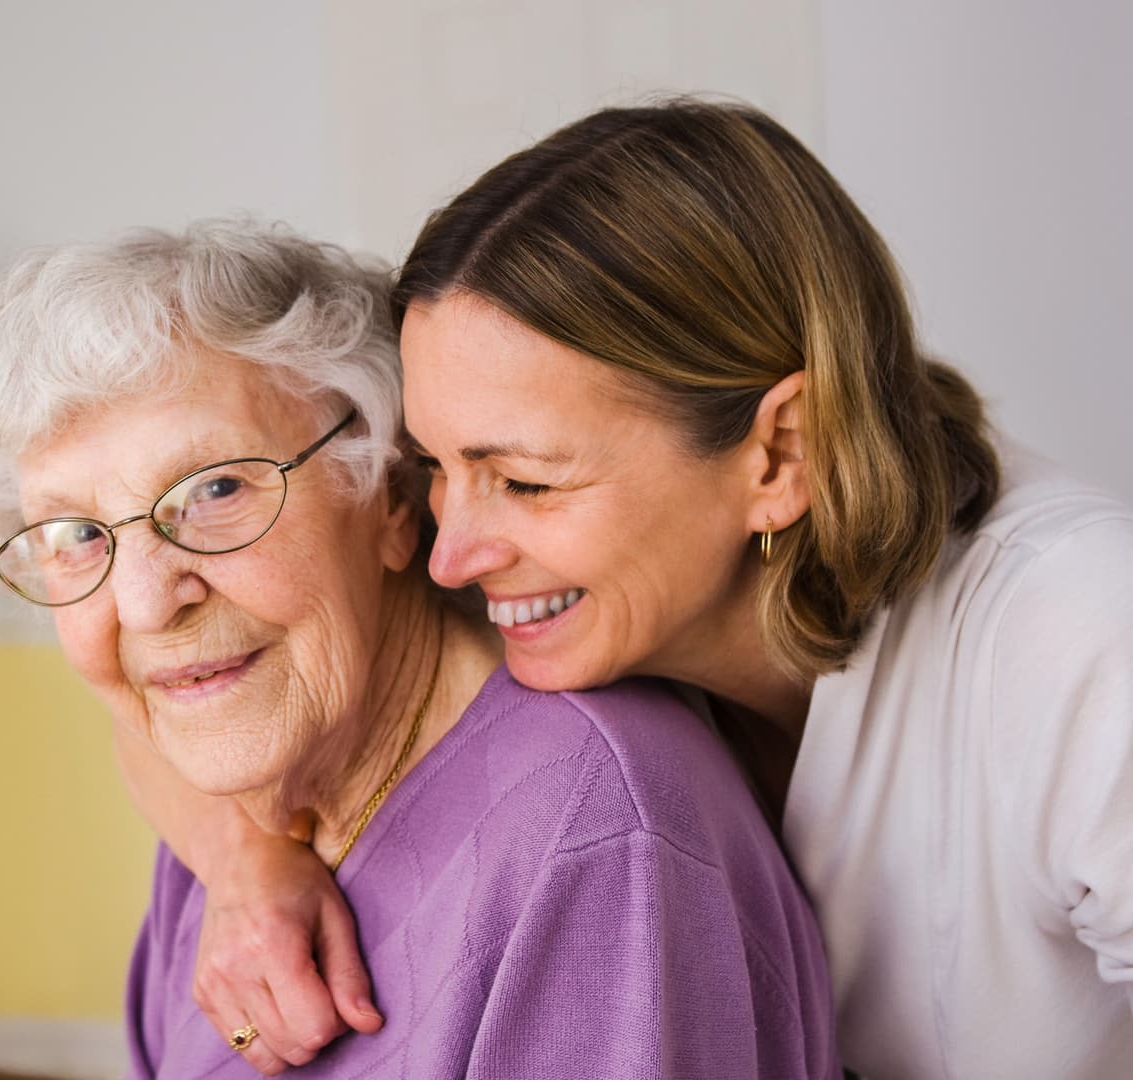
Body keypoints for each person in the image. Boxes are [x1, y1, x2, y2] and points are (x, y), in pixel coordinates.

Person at [142, 102, 1133, 1078]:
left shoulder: (1083, 635)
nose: (451, 555)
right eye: (436, 467)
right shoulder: (546, 590)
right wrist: (248, 864)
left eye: (527, 480)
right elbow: (132, 672)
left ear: (783, 451)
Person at [0, 219, 838, 1077]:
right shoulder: (231, 804)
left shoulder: (597, 831)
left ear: (388, 497)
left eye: (217, 488)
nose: (146, 605)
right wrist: (238, 856)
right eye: (73, 531)